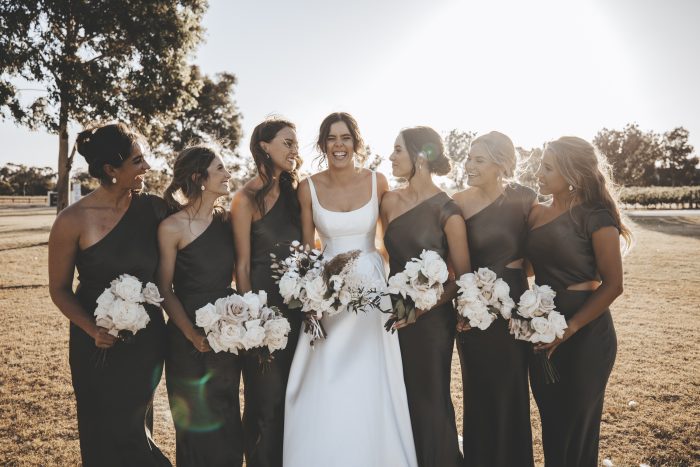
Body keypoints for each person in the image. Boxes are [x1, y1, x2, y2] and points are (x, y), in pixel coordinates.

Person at [283, 112, 418, 467]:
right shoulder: (307, 187)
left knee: (370, 377)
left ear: (355, 142)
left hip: (373, 291)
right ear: (323, 144)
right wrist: (311, 293)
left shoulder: (378, 181)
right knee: (325, 376)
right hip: (326, 290)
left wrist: (406, 288)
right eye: (331, 138)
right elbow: (308, 248)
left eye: (345, 137)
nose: (338, 145)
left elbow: (393, 240)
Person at [48, 123, 171, 467]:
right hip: (93, 346)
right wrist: (92, 329)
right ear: (111, 170)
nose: (146, 167)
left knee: (133, 425)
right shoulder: (72, 220)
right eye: (137, 161)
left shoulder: (154, 209)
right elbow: (58, 289)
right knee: (101, 430)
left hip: (145, 342)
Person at [526, 136, 631, 466]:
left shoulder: (596, 217)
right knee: (553, 426)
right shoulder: (536, 214)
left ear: (571, 173)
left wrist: (569, 329)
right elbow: (528, 266)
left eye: (547, 167)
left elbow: (613, 285)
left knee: (577, 429)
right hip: (542, 329)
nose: (538, 173)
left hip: (586, 336)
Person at [381, 126, 469, 467]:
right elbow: (381, 253)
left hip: (431, 323)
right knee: (395, 397)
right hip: (390, 316)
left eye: (397, 150)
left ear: (420, 156)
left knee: (429, 398)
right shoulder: (388, 201)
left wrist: (421, 308)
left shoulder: (448, 210)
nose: (391, 156)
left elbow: (461, 277)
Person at [452, 131, 536, 467]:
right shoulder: (457, 201)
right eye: (469, 158)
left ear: (500, 164)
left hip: (515, 307)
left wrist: (510, 279)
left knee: (513, 391)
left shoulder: (526, 198)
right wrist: (471, 296)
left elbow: (535, 257)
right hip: (474, 311)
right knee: (479, 392)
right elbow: (453, 259)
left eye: (478, 160)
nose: (468, 165)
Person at [157, 145, 240, 466]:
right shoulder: (171, 227)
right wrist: (191, 333)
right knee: (193, 421)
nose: (228, 174)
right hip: (184, 338)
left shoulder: (229, 221)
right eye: (220, 169)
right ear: (199, 178)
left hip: (227, 332)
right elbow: (165, 288)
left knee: (227, 414)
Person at [230, 118, 303, 467]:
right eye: (287, 142)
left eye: (295, 143)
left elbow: (308, 249)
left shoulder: (296, 194)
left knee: (295, 395)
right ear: (264, 146)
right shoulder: (245, 199)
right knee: (265, 400)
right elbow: (241, 266)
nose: (294, 149)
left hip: (301, 309)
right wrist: (253, 321)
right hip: (264, 313)